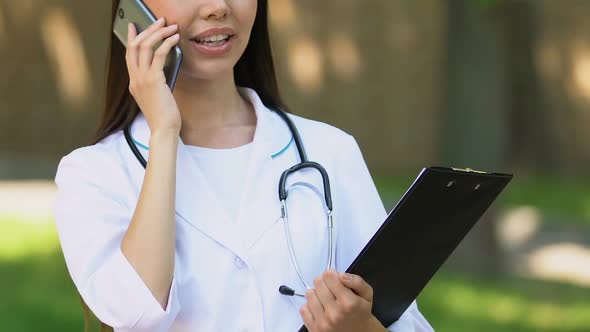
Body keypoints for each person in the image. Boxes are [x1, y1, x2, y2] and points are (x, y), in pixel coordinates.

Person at [54, 0, 434, 331]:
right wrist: (164, 132)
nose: (218, 6)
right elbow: (136, 313)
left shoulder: (331, 152)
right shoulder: (92, 174)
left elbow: (403, 321)